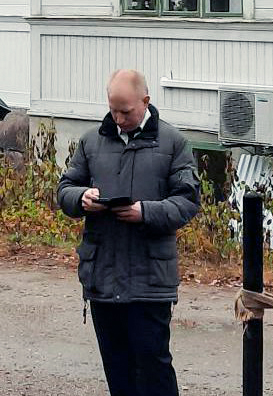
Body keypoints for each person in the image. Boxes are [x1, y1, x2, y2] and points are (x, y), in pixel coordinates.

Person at [55, 70, 201, 396]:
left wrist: (145, 212)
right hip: (102, 277)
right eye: (113, 110)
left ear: (145, 102)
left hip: (149, 279)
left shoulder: (173, 142)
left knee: (154, 368)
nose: (119, 118)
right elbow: (65, 189)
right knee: (117, 368)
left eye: (126, 111)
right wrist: (81, 198)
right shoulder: (91, 141)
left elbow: (188, 200)